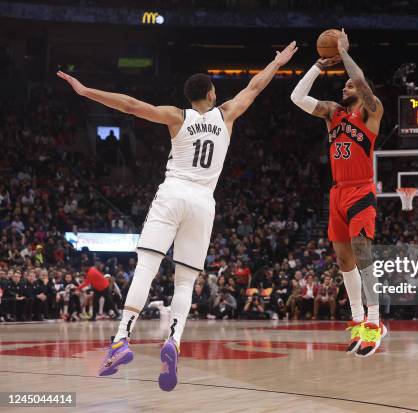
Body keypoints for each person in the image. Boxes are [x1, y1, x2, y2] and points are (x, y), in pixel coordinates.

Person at [58, 41, 297, 391]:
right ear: (212, 93)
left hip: (173, 193)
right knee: (184, 282)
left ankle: (121, 339)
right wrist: (276, 61)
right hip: (204, 202)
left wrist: (84, 90)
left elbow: (130, 105)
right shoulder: (227, 114)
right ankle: (174, 341)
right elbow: (255, 86)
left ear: (190, 97)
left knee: (146, 266)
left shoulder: (177, 116)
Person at [290, 29, 386, 356]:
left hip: (361, 190)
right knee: (345, 260)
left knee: (362, 250)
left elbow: (359, 78)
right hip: (336, 193)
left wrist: (344, 53)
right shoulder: (333, 113)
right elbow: (297, 98)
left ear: (361, 89)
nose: (345, 85)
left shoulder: (372, 111)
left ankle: (375, 321)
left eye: (349, 84)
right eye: (344, 83)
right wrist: (318, 65)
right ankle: (358, 320)